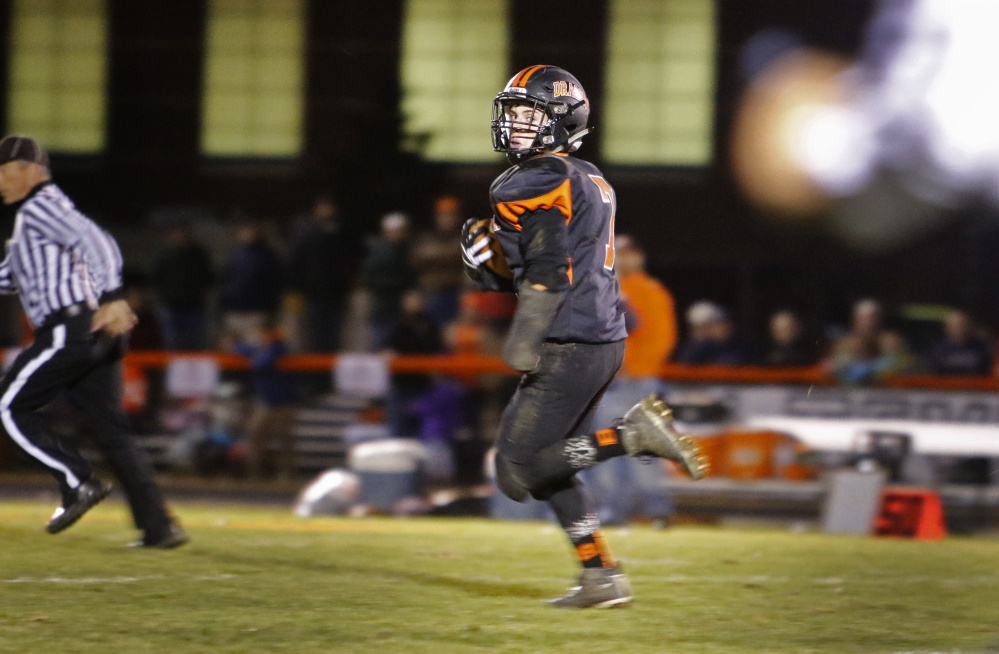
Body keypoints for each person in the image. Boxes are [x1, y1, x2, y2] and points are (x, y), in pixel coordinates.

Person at [461, 66, 706, 609]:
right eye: (513, 113)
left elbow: (548, 270)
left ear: (559, 121)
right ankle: (601, 576)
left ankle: (631, 437)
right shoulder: (586, 176)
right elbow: (549, 260)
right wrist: (488, 268)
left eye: (529, 115)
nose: (515, 125)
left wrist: (523, 341)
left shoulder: (530, 181)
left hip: (569, 339)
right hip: (599, 338)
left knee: (516, 469)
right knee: (549, 465)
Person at [0, 135, 187, 548]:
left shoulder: (39, 206)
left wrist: (113, 297)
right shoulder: (33, 218)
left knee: (9, 405)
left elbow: (98, 241)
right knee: (112, 432)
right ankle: (159, 527)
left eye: (3, 171)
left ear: (29, 168)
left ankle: (77, 483)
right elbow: (9, 278)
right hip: (93, 332)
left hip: (73, 326)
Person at [583, 235, 679, 526]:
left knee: (643, 450)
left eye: (629, 253)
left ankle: (657, 510)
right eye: (618, 253)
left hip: (637, 382)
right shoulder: (607, 287)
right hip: (611, 384)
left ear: (639, 258)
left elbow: (662, 340)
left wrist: (631, 366)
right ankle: (614, 511)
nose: (623, 259)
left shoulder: (650, 291)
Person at [287, 194, 363, 353]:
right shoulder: (306, 232)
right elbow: (296, 260)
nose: (326, 210)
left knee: (335, 334)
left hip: (337, 292)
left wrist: (348, 279)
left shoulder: (343, 230)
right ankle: (316, 373)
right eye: (323, 207)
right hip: (312, 293)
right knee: (313, 334)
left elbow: (355, 256)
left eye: (329, 207)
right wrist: (295, 288)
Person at [150, 218, 215, 351]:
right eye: (176, 232)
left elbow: (209, 277)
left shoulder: (199, 254)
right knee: (172, 344)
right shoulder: (164, 256)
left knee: (196, 345)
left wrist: (202, 294)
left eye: (183, 232)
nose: (180, 235)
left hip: (194, 307)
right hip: (171, 308)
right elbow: (155, 279)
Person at [218, 216, 285, 343]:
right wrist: (224, 308)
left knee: (254, 354)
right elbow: (226, 283)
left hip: (257, 316)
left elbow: (276, 285)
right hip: (233, 314)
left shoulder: (268, 258)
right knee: (232, 355)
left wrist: (270, 312)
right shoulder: (235, 257)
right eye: (245, 230)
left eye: (252, 230)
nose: (248, 234)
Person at [409, 195, 466, 328]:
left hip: (457, 293)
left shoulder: (464, 237)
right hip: (431, 293)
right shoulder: (426, 238)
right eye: (444, 216)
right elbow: (415, 260)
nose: (448, 220)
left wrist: (436, 255)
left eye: (452, 215)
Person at [360, 212, 413, 350]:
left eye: (400, 231)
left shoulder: (404, 250)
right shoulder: (379, 252)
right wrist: (399, 285)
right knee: (380, 346)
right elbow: (370, 278)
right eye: (394, 231)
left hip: (399, 310)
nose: (398, 234)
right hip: (383, 308)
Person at [924, 309, 993, 376]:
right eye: (953, 325)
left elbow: (987, 371)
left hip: (974, 385)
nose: (957, 329)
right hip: (944, 386)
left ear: (967, 326)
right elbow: (932, 373)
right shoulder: (937, 349)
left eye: (961, 325)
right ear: (946, 327)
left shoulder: (980, 348)